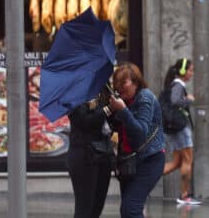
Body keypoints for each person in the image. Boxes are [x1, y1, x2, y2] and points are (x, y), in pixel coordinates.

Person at [108, 62, 165, 218]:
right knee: (127, 210)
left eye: (124, 82)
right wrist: (112, 113)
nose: (119, 87)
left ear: (136, 81)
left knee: (131, 208)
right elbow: (117, 129)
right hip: (129, 162)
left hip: (149, 160)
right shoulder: (124, 100)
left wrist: (123, 111)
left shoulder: (145, 97)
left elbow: (140, 133)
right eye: (117, 84)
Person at [66, 86, 115, 218]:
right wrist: (108, 109)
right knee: (85, 208)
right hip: (84, 154)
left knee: (97, 206)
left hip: (103, 152)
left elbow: (110, 120)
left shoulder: (103, 86)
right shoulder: (74, 90)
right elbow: (84, 120)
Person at [162, 58, 200, 205]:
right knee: (188, 160)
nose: (191, 73)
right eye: (190, 70)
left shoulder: (174, 85)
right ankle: (184, 196)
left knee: (177, 162)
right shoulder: (178, 85)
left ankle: (144, 179)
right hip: (180, 128)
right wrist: (189, 99)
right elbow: (175, 101)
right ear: (183, 71)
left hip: (174, 128)